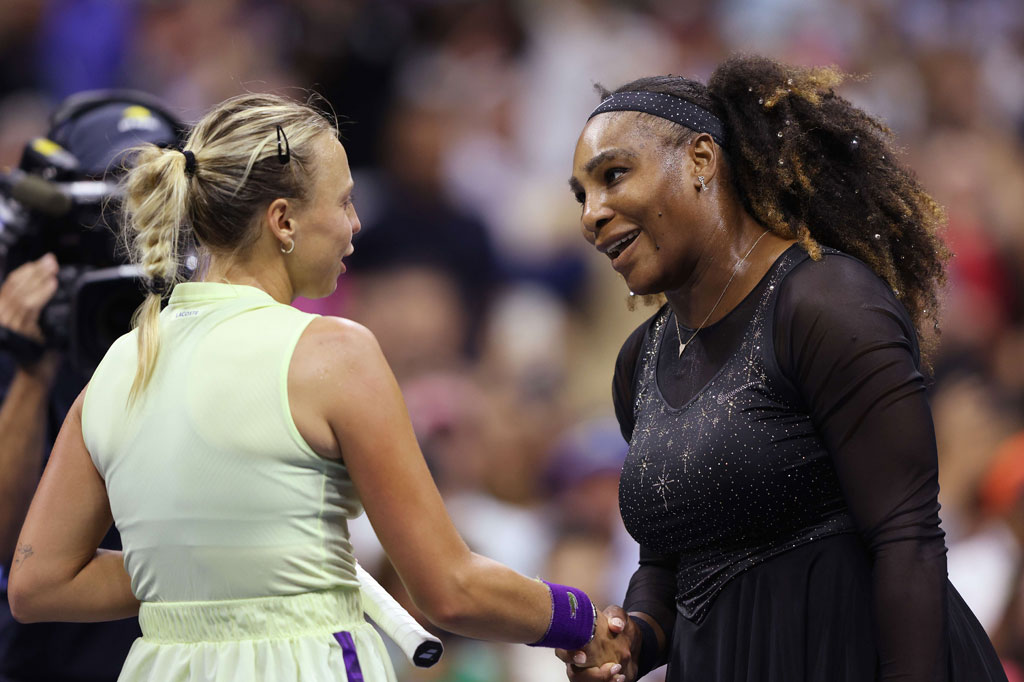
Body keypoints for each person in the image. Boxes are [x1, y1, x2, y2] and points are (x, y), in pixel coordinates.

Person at [6, 93, 611, 681]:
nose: (355, 224)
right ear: (283, 220)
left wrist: (202, 568)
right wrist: (583, 620)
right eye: (344, 201)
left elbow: (38, 584)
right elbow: (450, 589)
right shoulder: (336, 355)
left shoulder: (119, 364)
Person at [558, 55, 1008, 682]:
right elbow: (666, 570)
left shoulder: (825, 304)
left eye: (613, 175)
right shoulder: (640, 360)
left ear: (701, 160)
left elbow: (907, 541)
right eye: (582, 195)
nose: (592, 214)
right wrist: (631, 638)